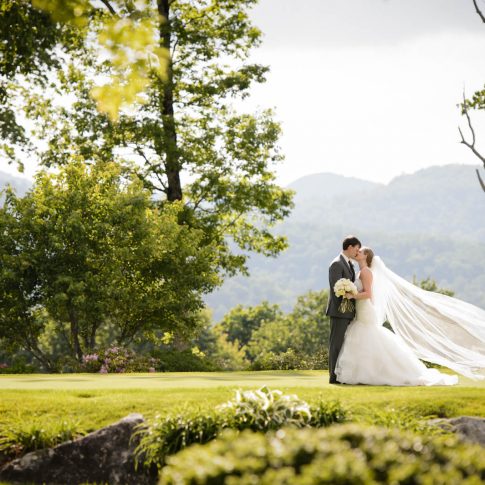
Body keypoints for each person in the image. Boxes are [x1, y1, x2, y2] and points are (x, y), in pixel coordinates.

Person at [335, 246, 485, 385]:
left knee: (368, 336)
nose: (357, 253)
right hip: (363, 309)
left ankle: (378, 372)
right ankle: (366, 371)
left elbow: (368, 293)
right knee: (366, 337)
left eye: (360, 252)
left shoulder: (366, 272)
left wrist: (351, 296)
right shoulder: (361, 271)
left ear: (365, 256)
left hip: (365, 309)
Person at [325, 235, 361, 384]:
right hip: (339, 312)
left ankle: (342, 373)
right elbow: (336, 289)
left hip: (348, 311)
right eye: (356, 249)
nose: (357, 252)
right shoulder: (336, 264)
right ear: (350, 247)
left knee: (345, 344)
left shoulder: (349, 264)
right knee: (336, 344)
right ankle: (333, 377)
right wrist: (344, 307)